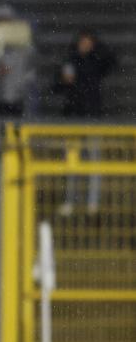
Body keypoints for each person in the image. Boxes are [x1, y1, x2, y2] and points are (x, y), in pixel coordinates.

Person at [55, 29, 118, 216]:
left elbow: (113, 61)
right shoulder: (69, 61)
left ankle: (92, 204)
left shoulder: (97, 61)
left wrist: (98, 46)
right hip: (73, 118)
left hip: (92, 118)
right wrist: (64, 81)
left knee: (94, 163)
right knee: (71, 163)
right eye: (83, 41)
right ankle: (70, 201)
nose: (85, 45)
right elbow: (56, 86)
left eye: (89, 42)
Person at [0, 4, 37, 117]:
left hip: (18, 97)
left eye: (7, 21)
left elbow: (30, 69)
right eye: (0, 21)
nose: (4, 26)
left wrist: (22, 84)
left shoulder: (24, 47)